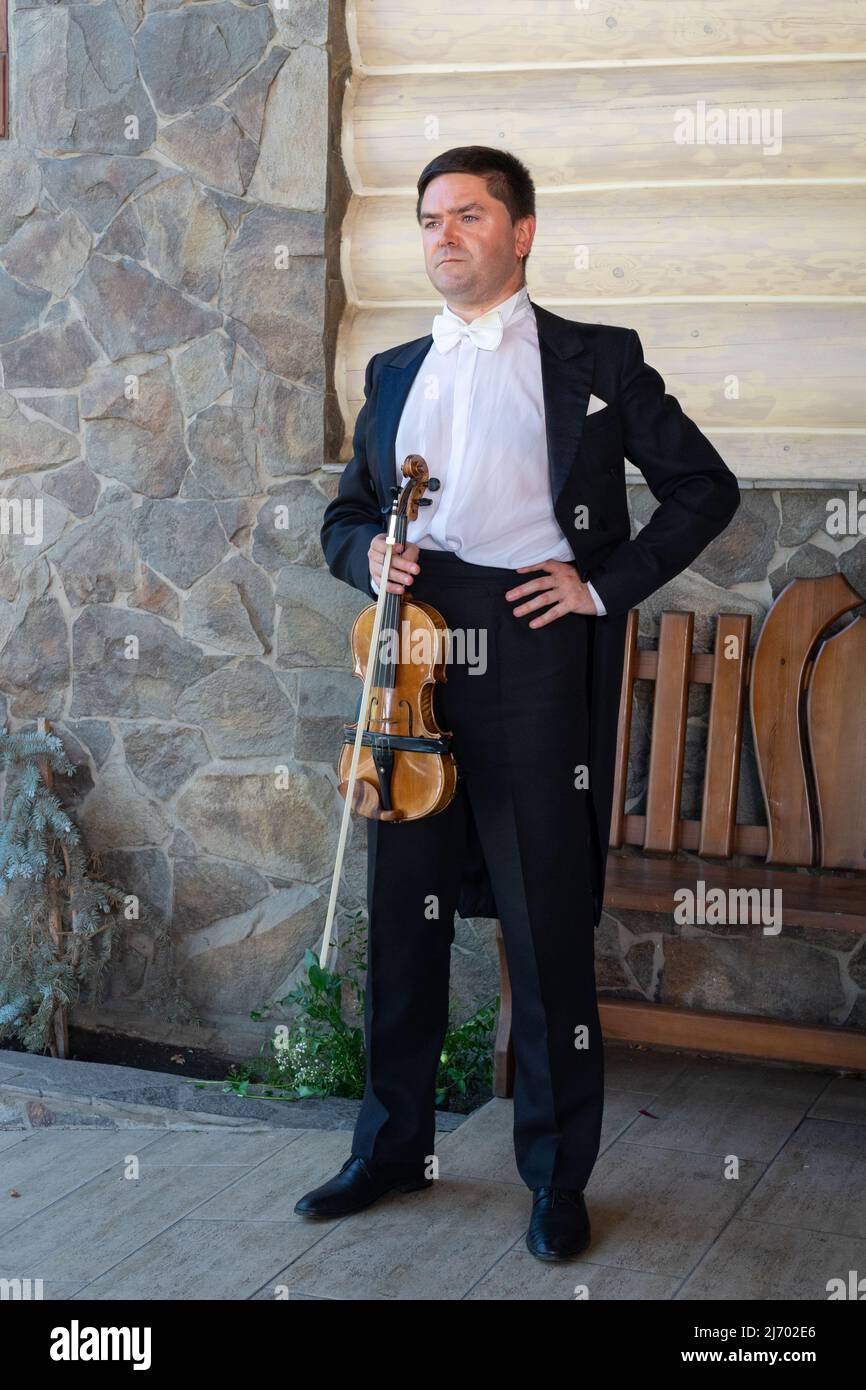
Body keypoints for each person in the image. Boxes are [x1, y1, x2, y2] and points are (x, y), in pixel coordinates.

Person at [298, 146, 740, 1261]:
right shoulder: (393, 369)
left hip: (536, 641)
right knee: (406, 912)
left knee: (544, 922)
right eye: (429, 220)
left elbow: (703, 485)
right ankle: (392, 1146)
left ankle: (553, 1179)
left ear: (521, 232)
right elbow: (346, 515)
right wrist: (367, 560)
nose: (444, 236)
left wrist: (599, 586)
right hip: (415, 645)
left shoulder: (595, 358)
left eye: (469, 217)